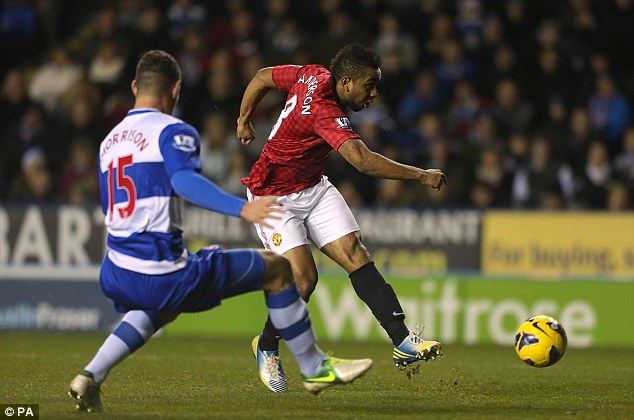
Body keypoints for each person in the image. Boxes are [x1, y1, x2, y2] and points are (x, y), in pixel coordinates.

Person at [68, 50, 372, 412]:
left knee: (156, 310)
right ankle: (313, 366)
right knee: (277, 270)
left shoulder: (110, 141)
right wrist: (241, 207)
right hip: (162, 271)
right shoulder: (173, 131)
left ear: (135, 87)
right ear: (176, 89)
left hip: (117, 269)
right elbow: (184, 182)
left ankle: (90, 375)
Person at [236, 43, 445, 393]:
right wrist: (421, 175)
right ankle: (267, 345)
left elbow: (261, 77)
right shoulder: (325, 111)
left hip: (312, 187)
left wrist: (243, 119)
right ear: (346, 82)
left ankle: (402, 341)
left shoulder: (312, 73)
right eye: (369, 85)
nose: (374, 94)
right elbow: (362, 161)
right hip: (271, 196)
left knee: (355, 253)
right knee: (304, 280)